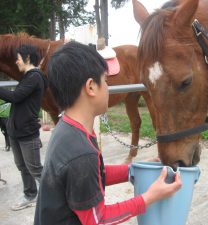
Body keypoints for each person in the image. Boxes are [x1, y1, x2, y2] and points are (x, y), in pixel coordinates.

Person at [34, 41, 182, 225]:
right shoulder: (81, 153)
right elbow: (98, 219)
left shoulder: (68, 128)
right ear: (91, 87)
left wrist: (134, 169)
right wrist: (150, 197)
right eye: (105, 80)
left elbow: (95, 174)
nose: (108, 87)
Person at [0, 44, 47, 210]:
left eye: (18, 58)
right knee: (22, 166)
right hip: (15, 131)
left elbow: (15, 96)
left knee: (35, 168)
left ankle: (55, 194)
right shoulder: (26, 78)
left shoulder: (35, 77)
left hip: (27, 132)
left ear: (27, 58)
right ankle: (30, 194)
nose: (16, 61)